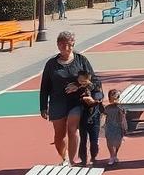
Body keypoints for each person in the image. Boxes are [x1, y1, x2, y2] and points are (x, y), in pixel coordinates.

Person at [39, 31, 102, 165]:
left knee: (72, 129)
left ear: (73, 44)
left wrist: (78, 86)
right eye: (63, 45)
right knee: (59, 136)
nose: (66, 48)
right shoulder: (51, 64)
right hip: (57, 102)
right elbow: (44, 86)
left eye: (69, 45)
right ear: (58, 45)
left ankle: (72, 162)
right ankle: (64, 158)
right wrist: (43, 106)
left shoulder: (81, 60)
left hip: (76, 101)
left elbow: (94, 81)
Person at [72, 71, 102, 165]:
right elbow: (74, 100)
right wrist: (81, 99)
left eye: (84, 81)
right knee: (83, 139)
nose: (82, 83)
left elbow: (99, 98)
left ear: (89, 80)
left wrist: (92, 101)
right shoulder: (77, 89)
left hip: (94, 116)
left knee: (94, 140)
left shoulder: (95, 87)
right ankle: (83, 160)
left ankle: (93, 156)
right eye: (80, 81)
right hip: (83, 117)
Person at [103, 89, 128, 166]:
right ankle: (112, 156)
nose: (114, 99)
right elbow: (104, 113)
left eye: (116, 97)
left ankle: (115, 154)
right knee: (109, 141)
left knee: (118, 142)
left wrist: (124, 126)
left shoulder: (120, 107)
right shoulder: (107, 108)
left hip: (118, 126)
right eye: (112, 97)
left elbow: (122, 117)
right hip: (109, 126)